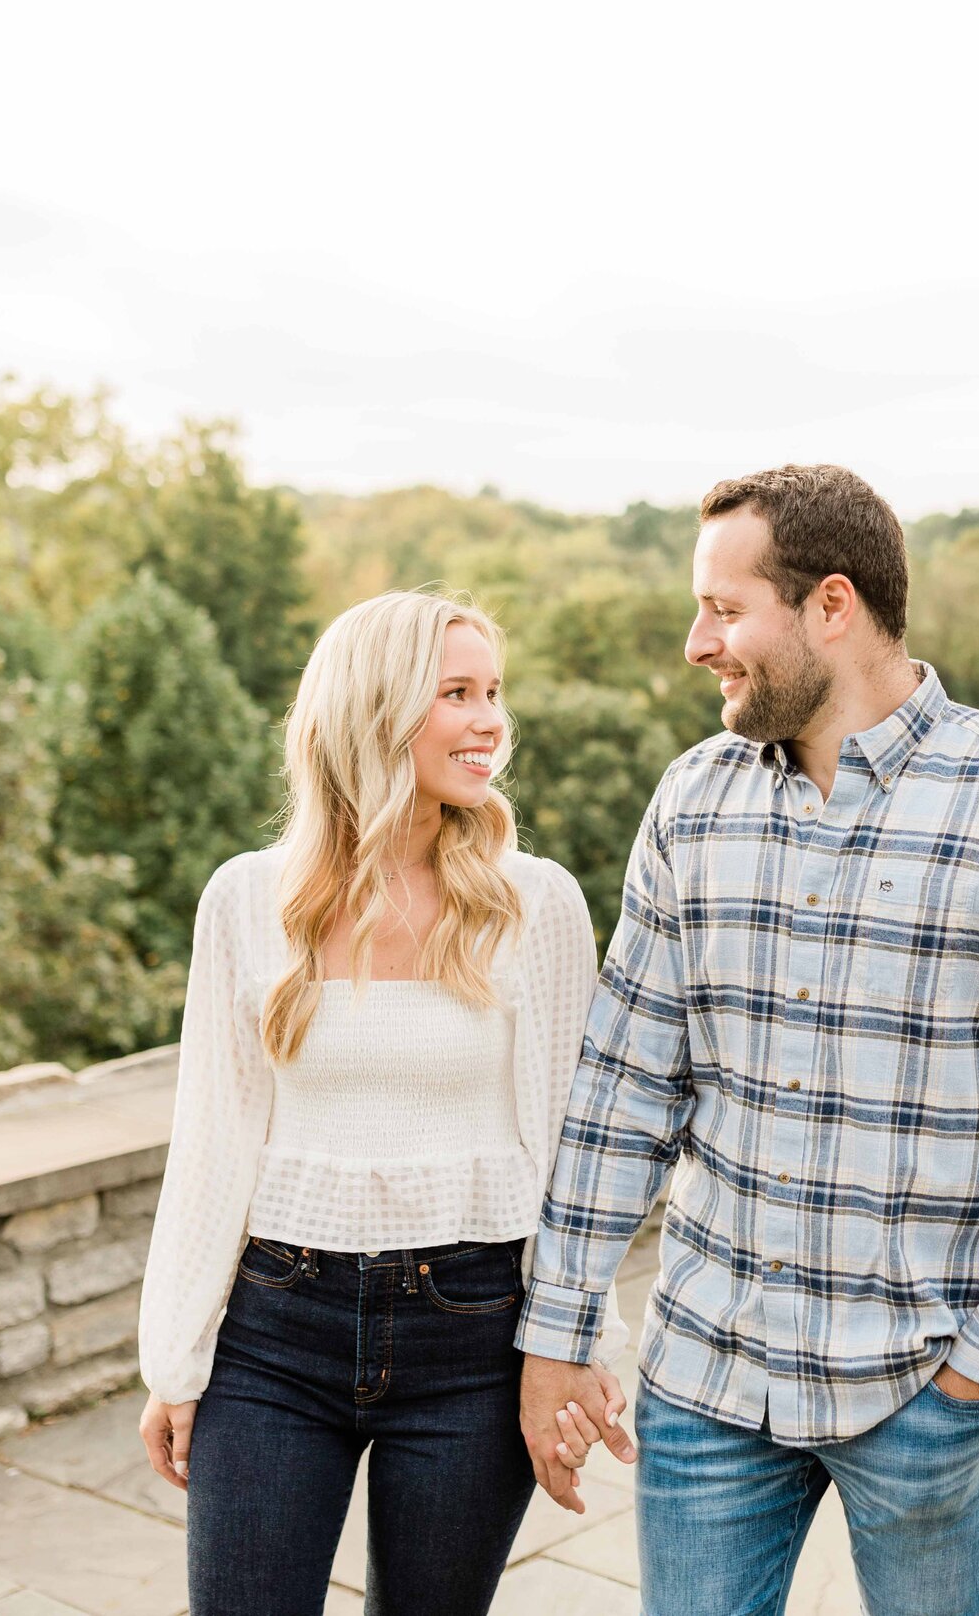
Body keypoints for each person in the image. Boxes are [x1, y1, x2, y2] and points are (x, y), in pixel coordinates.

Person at [514, 464, 979, 1615]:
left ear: (830, 605)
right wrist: (558, 1327)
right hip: (706, 1378)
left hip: (922, 1389)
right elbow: (624, 1082)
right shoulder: (692, 802)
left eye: (724, 608)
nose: (693, 642)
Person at [134, 590, 631, 1616]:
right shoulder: (246, 897)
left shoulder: (534, 901)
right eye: (457, 692)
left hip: (473, 1336)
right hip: (275, 1332)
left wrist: (580, 1341)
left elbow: (570, 1147)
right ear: (374, 708)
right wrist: (175, 1357)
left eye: (494, 691)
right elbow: (213, 1140)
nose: (491, 718)